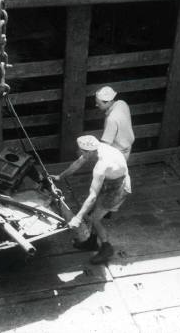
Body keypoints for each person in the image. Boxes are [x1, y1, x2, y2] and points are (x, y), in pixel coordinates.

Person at [51, 135, 131, 264]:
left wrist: (77, 218)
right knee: (93, 213)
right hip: (110, 182)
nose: (78, 153)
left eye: (81, 151)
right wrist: (61, 176)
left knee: (94, 218)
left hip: (118, 189)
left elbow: (92, 196)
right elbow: (78, 163)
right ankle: (92, 242)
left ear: (89, 152)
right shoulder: (98, 148)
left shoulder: (101, 166)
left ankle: (106, 247)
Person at [95, 86, 135, 161]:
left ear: (108, 102)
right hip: (127, 146)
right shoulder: (122, 103)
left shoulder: (112, 119)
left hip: (116, 152)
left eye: (99, 104)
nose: (96, 105)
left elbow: (106, 144)